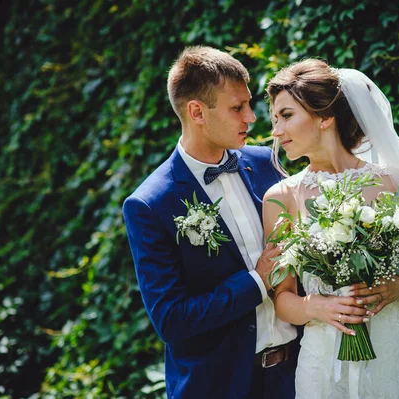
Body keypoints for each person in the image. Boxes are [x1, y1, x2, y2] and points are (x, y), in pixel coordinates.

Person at [122, 46, 298, 399]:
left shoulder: (267, 163)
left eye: (249, 104)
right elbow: (172, 320)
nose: (251, 118)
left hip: (298, 374)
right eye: (237, 108)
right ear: (197, 112)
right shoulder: (151, 204)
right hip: (221, 386)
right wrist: (256, 282)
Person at [262, 59, 399, 399]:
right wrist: (315, 306)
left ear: (325, 117)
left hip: (395, 352)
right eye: (274, 119)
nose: (276, 131)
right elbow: (282, 299)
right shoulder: (282, 197)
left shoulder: (394, 182)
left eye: (286, 115)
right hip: (323, 360)